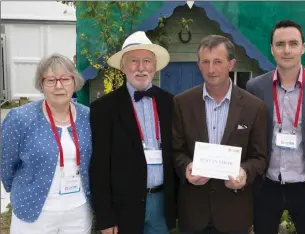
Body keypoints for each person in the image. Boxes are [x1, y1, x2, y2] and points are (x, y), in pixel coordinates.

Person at [246, 20, 305, 234]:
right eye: (280, 44)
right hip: (267, 183)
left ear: (303, 47)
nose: (286, 50)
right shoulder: (255, 87)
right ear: (271, 49)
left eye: (293, 43)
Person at [172, 35, 268, 234]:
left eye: (217, 62)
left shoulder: (254, 107)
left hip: (234, 214)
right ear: (199, 65)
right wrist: (186, 167)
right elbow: (176, 151)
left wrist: (244, 173)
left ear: (231, 64)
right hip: (193, 213)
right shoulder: (182, 103)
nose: (211, 69)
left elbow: (260, 157)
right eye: (205, 62)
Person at [89, 31, 177, 234]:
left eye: (147, 61)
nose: (141, 68)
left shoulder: (170, 103)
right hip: (123, 208)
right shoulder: (103, 109)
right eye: (134, 61)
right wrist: (105, 217)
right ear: (122, 67)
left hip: (161, 204)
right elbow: (99, 168)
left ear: (154, 66)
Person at [1, 53, 92, 233]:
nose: (59, 86)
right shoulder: (20, 118)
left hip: (78, 210)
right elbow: (6, 165)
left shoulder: (88, 116)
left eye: (65, 79)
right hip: (34, 210)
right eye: (51, 80)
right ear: (41, 84)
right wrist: (23, 190)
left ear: (75, 82)